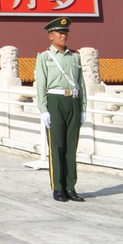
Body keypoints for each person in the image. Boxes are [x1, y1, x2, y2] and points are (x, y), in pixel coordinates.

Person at [35, 16, 87, 202]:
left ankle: (71, 187)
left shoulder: (75, 56)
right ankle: (58, 188)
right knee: (57, 146)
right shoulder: (44, 57)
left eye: (65, 33)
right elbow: (40, 85)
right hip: (55, 101)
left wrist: (82, 108)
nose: (63, 36)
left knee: (71, 147)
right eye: (59, 33)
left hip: (72, 100)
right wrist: (44, 109)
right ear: (50, 36)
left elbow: (81, 84)